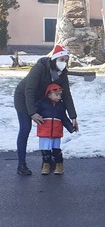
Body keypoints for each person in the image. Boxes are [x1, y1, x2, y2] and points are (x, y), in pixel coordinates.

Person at [14, 44, 78, 175]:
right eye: (61, 60)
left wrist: (73, 116)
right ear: (54, 59)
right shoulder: (40, 68)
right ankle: (21, 164)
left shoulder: (62, 73)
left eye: (66, 60)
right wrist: (32, 113)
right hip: (23, 97)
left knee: (48, 126)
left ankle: (47, 161)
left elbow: (66, 95)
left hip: (43, 100)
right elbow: (29, 90)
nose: (64, 63)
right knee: (25, 128)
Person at [36, 83, 75, 174]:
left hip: (56, 132)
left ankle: (59, 164)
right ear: (49, 95)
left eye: (60, 95)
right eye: (57, 94)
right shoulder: (41, 104)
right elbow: (34, 112)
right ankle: (46, 164)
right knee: (45, 150)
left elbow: (64, 118)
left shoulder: (61, 106)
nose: (59, 97)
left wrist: (71, 128)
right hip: (44, 131)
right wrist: (32, 114)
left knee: (56, 150)